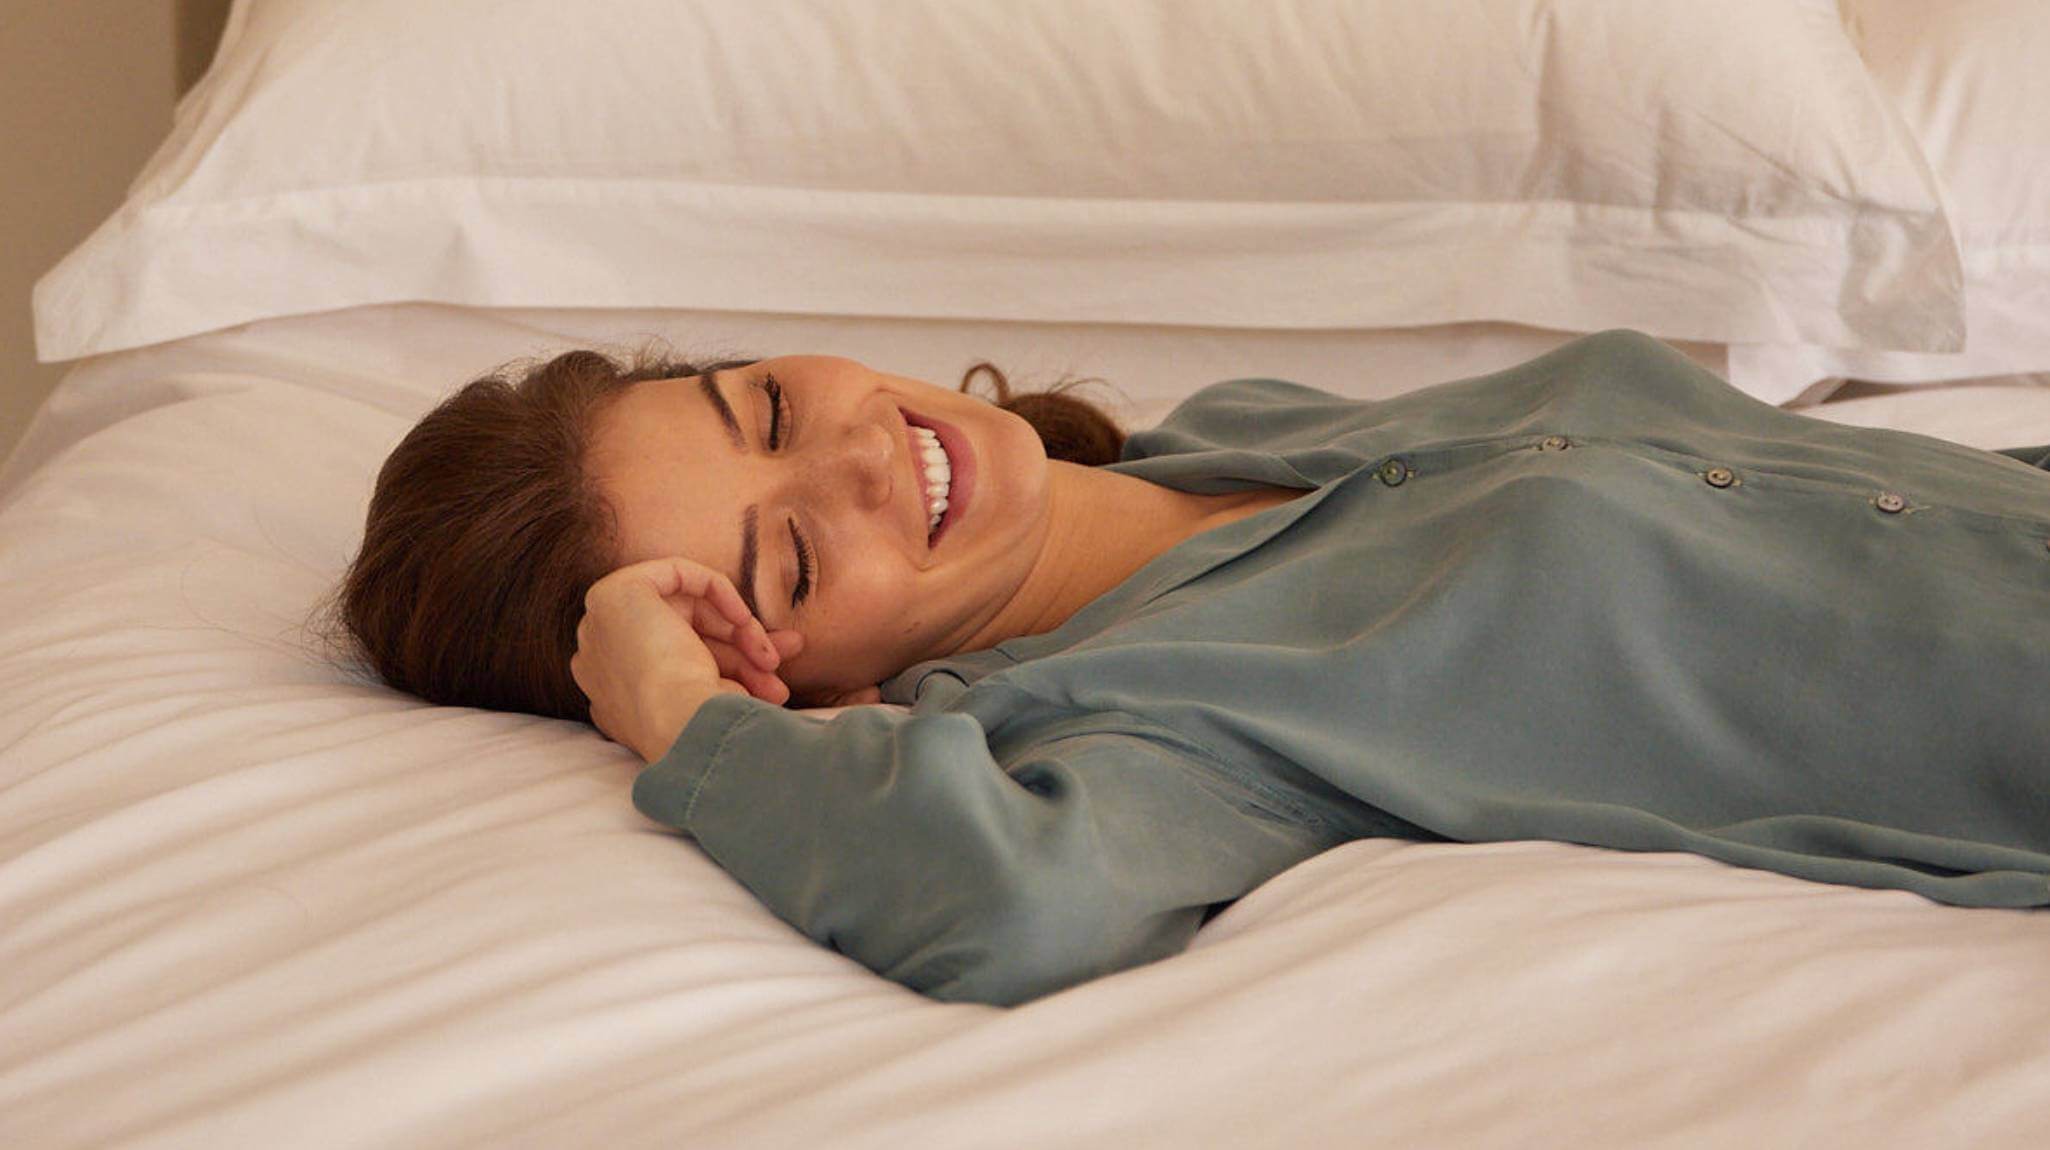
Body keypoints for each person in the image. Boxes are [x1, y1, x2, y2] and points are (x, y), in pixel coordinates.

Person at [324, 329, 2050, 1008]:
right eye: (783, 557)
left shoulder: (1233, 435)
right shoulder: (1137, 715)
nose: (852, 464)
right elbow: (1005, 899)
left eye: (765, 405)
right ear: (797, 674)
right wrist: (669, 711)